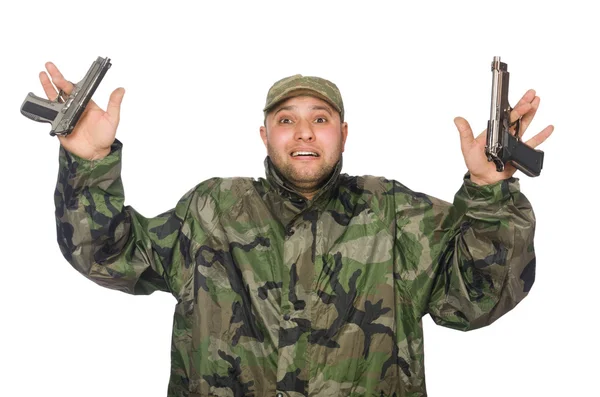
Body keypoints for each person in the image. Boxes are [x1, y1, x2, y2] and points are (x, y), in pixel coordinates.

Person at [40, 61, 553, 397]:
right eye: (286, 120)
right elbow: (109, 254)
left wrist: (489, 191)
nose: (304, 131)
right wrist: (91, 163)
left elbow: (479, 296)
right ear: (264, 134)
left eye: (320, 118)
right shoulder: (214, 210)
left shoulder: (394, 211)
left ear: (343, 133)